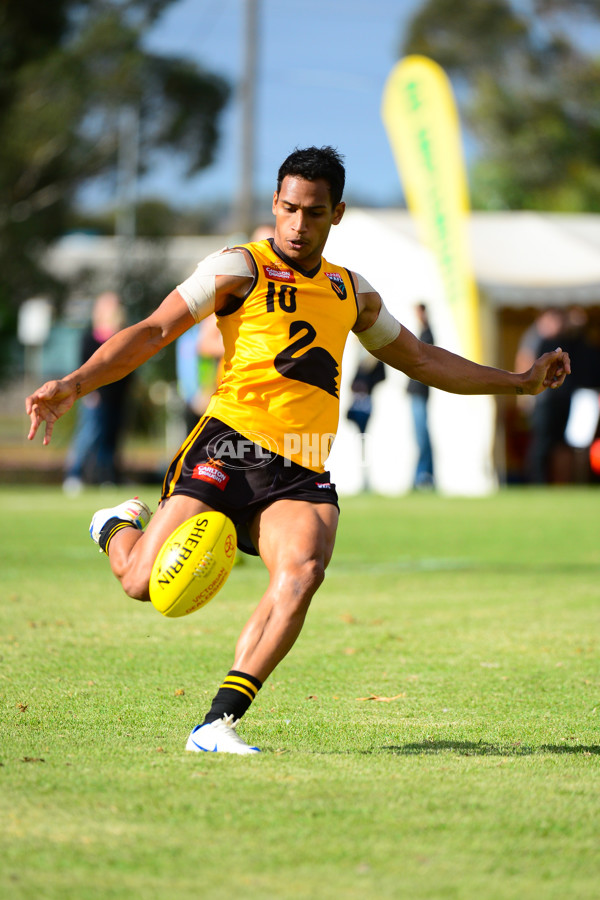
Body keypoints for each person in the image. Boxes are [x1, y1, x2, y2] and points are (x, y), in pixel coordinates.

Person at [26, 146, 571, 755]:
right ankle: (116, 525)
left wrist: (517, 381)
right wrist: (74, 383)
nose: (296, 224)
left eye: (313, 212)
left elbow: (420, 359)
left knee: (303, 570)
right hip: (229, 445)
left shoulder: (350, 292)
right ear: (276, 205)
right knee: (141, 583)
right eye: (287, 208)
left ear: (335, 214)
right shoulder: (238, 267)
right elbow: (154, 330)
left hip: (302, 463)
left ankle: (216, 725)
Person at [63, 291, 132, 493]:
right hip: (95, 397)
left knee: (111, 438)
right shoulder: (90, 338)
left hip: (116, 398)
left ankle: (107, 477)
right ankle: (73, 474)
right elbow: (83, 367)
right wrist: (86, 392)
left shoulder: (123, 336)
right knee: (88, 435)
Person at [406, 303, 435, 489]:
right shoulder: (424, 333)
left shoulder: (427, 334)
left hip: (419, 393)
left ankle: (423, 477)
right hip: (418, 393)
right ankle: (423, 475)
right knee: (421, 437)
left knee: (422, 437)